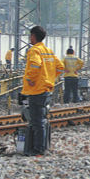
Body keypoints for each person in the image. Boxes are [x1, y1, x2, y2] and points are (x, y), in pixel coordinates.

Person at [22, 26, 64, 155]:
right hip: (46, 88)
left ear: (33, 36)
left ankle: (39, 149)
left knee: (37, 121)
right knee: (41, 119)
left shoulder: (34, 50)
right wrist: (49, 77)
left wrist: (30, 78)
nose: (30, 38)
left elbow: (35, 64)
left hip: (37, 89)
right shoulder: (48, 51)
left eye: (30, 35)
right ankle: (41, 147)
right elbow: (60, 67)